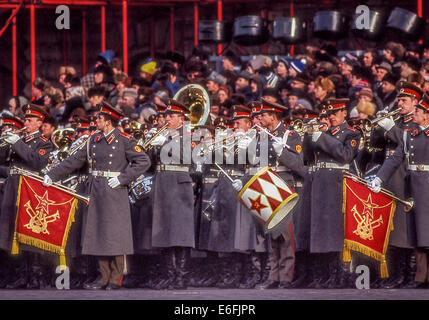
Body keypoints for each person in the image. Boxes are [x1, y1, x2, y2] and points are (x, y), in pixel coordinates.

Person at [43, 101, 151, 290]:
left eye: (100, 118)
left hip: (114, 188)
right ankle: (104, 276)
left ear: (108, 122)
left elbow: (143, 161)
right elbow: (74, 161)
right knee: (98, 233)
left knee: (116, 234)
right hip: (97, 188)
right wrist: (52, 175)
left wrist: (123, 179)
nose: (97, 121)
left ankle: (115, 278)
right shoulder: (93, 139)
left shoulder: (124, 139)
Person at [369, 93, 429, 288]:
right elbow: (395, 158)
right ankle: (420, 278)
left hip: (426, 184)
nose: (415, 114)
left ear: (427, 115)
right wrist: (380, 177)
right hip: (412, 185)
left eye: (419, 111)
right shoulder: (409, 134)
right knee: (417, 233)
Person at [0, 104, 54, 289]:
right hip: (12, 185)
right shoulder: (20, 139)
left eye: (30, 120)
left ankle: (35, 275)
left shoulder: (44, 142)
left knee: (29, 231)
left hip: (28, 187)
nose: (26, 123)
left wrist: (16, 142)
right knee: (12, 230)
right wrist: (4, 143)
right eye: (25, 119)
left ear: (39, 123)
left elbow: (36, 162)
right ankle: (21, 274)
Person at [148, 98, 196, 289]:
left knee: (181, 233)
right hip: (162, 182)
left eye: (172, 116)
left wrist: (166, 143)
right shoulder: (163, 135)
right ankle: (170, 275)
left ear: (181, 119)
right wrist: (152, 146)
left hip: (179, 183)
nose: (167, 119)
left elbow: (189, 158)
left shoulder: (189, 136)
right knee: (164, 231)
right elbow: (150, 163)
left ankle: (181, 277)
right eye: (166, 115)